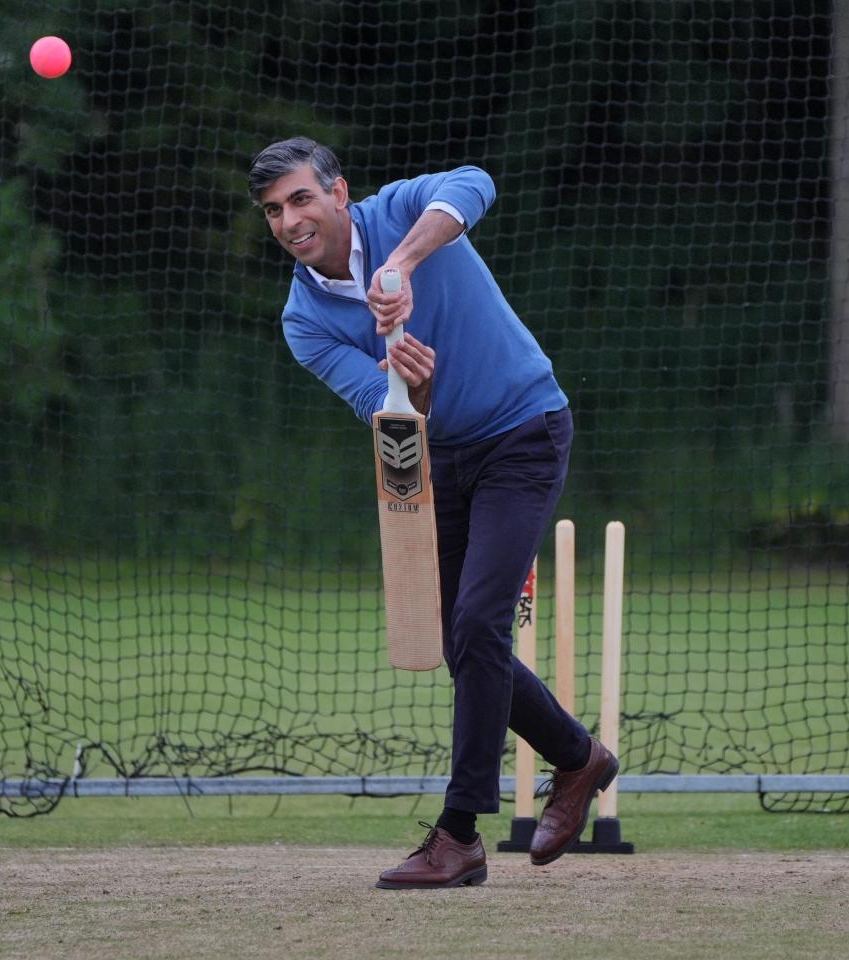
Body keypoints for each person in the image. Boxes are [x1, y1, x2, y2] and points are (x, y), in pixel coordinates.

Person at [248, 136, 619, 889]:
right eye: (274, 210)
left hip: (524, 428)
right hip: (440, 455)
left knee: (479, 624)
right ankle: (581, 759)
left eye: (301, 198)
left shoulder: (403, 210)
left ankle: (458, 835)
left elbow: (475, 182)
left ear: (339, 192)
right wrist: (411, 391)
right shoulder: (303, 321)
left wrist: (401, 266)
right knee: (462, 643)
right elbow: (384, 412)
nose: (290, 220)